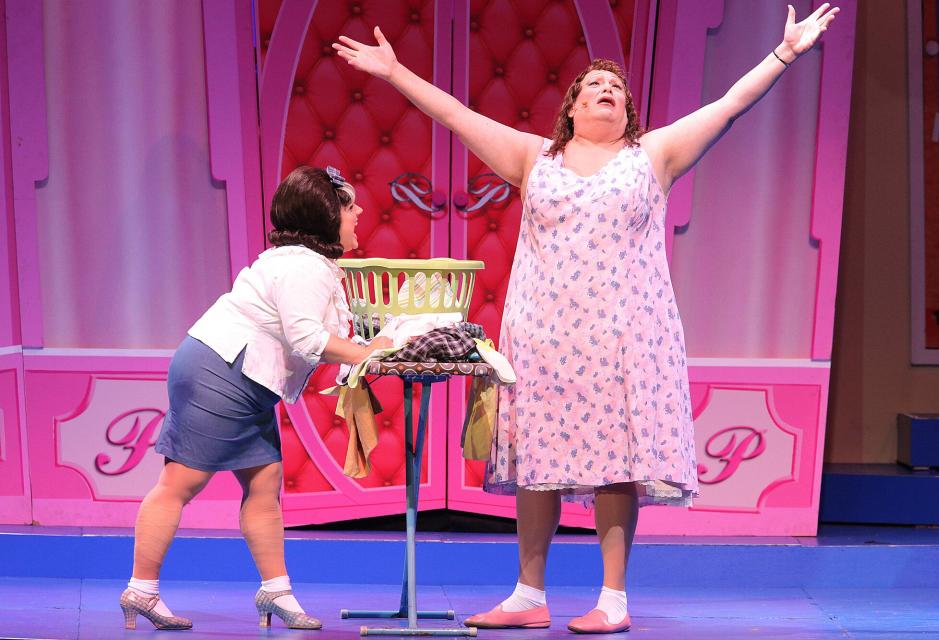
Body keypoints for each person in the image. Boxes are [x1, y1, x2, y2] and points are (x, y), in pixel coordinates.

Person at [335, 2, 838, 634]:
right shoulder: (532, 158)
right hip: (543, 337)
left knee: (617, 466)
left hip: (625, 338)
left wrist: (785, 52)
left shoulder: (652, 156)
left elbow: (730, 105)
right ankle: (527, 595)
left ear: (627, 114)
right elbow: (456, 115)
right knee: (537, 462)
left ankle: (613, 598)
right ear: (571, 108)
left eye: (617, 90)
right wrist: (394, 73)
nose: (606, 91)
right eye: (594, 86)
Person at [119, 166, 391, 631]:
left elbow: (328, 332)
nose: (358, 212)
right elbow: (308, 339)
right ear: (327, 217)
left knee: (264, 485)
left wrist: (370, 347)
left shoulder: (310, 263)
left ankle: (276, 591)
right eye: (349, 206)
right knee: (180, 483)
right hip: (221, 373)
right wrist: (367, 353)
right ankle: (140, 591)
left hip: (239, 377)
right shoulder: (302, 265)